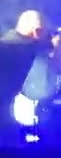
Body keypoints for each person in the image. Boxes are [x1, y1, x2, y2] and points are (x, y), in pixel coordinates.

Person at [0, 10, 50, 144]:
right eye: (43, 32)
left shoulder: (6, 45)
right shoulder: (24, 50)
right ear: (37, 31)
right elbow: (38, 91)